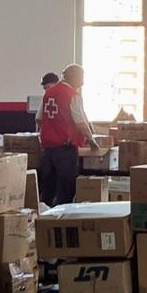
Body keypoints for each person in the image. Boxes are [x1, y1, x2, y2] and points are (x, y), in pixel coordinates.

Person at [39, 64, 99, 207]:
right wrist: (91, 139)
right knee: (66, 189)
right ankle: (62, 221)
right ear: (73, 77)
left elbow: (40, 117)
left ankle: (43, 220)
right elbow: (80, 122)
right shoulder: (72, 95)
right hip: (65, 149)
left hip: (48, 148)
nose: (83, 82)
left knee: (48, 189)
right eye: (81, 78)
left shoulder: (49, 93)